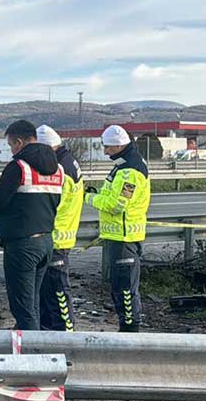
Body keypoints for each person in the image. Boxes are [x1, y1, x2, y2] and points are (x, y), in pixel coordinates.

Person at [0, 120, 64, 330]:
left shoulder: (19, 167)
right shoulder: (58, 170)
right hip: (46, 241)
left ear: (19, 142)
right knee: (33, 303)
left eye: (11, 145)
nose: (11, 151)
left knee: (23, 308)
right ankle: (34, 346)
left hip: (22, 246)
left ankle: (31, 356)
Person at [89, 125, 151, 332]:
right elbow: (113, 198)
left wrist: (88, 197)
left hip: (125, 237)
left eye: (107, 147)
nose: (105, 151)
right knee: (120, 287)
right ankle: (127, 327)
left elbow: (117, 205)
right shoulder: (124, 165)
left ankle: (130, 330)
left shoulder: (129, 171)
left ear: (118, 145)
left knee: (125, 289)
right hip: (119, 236)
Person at [37, 125, 84, 331]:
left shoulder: (59, 169)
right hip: (61, 235)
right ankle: (49, 330)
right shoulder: (68, 161)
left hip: (56, 237)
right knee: (49, 290)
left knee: (57, 290)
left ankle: (66, 332)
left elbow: (52, 203)